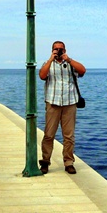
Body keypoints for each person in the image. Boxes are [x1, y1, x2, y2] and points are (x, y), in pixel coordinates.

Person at [38, 41, 86, 175]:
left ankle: (69, 162)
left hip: (69, 103)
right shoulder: (48, 64)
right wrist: (50, 59)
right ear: (52, 50)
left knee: (69, 136)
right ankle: (45, 162)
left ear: (65, 50)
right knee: (48, 135)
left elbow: (83, 70)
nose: (58, 51)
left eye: (61, 49)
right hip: (53, 103)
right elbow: (42, 76)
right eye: (56, 49)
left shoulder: (70, 64)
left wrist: (68, 59)